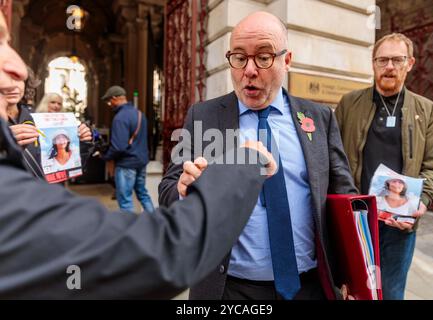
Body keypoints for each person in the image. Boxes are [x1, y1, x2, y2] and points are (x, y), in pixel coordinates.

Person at [0, 10, 278, 298]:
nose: (20, 68)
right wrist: (244, 165)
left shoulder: (316, 118)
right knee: (133, 199)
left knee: (129, 197)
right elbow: (163, 250)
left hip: (127, 164)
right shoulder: (198, 114)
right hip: (144, 175)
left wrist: (90, 148)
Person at [158, 11, 357, 300]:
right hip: (229, 288)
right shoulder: (204, 116)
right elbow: (168, 189)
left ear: (286, 60)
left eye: (263, 57)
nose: (249, 70)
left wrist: (352, 274)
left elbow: (343, 196)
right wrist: (182, 190)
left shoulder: (318, 117)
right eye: (239, 57)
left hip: (311, 287)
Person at [335, 33, 433, 300]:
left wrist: (423, 200)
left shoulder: (428, 111)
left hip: (400, 223)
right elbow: (332, 156)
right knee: (352, 291)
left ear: (410, 63)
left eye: (397, 60)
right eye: (382, 60)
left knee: (392, 293)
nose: (389, 67)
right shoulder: (349, 104)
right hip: (356, 219)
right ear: (373, 63)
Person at [101, 85, 155, 213]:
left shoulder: (120, 118)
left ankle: (130, 229)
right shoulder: (140, 114)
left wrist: (105, 156)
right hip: (141, 161)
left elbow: (119, 147)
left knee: (125, 201)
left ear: (115, 98)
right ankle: (155, 223)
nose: (109, 104)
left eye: (109, 101)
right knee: (143, 194)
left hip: (126, 164)